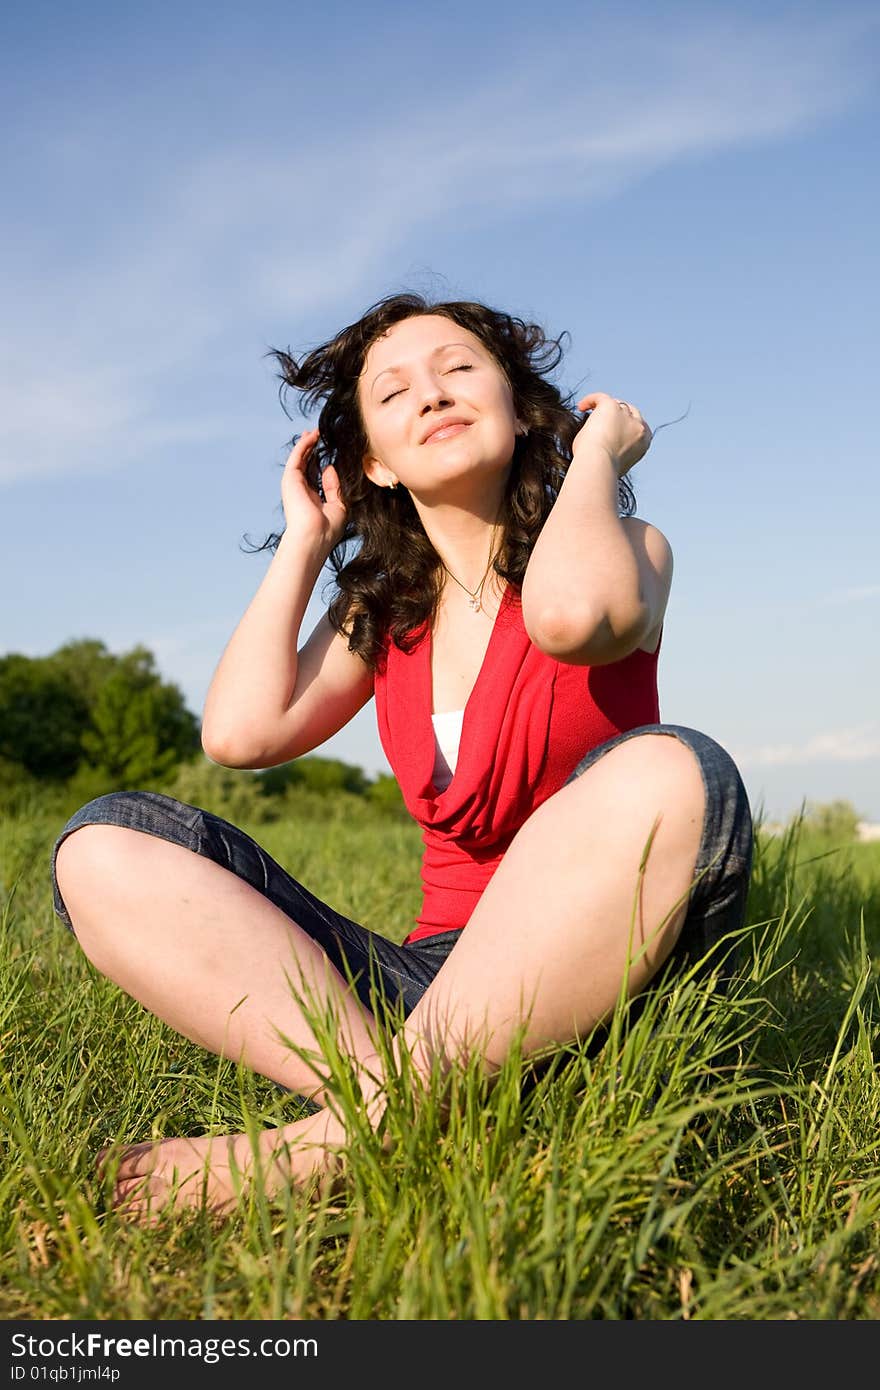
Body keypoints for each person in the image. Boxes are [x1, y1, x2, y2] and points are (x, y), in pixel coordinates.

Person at [52, 291, 753, 1219]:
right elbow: (240, 735)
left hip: (611, 978)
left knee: (671, 769)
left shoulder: (623, 546)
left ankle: (339, 1139)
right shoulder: (382, 617)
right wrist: (307, 540)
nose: (432, 393)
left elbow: (573, 620)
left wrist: (594, 460)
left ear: (516, 404)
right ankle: (401, 1111)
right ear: (374, 461)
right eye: (395, 391)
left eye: (460, 369)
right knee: (105, 845)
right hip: (436, 1001)